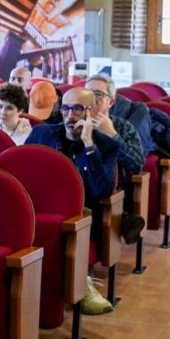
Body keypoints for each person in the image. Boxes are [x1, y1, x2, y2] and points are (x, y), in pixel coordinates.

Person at [26, 87, 120, 316]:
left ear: (94, 111)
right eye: (66, 108)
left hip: (83, 214)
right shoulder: (42, 134)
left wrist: (89, 145)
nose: (70, 115)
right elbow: (24, 171)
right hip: (43, 207)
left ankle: (82, 280)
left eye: (78, 109)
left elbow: (101, 190)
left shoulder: (105, 145)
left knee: (78, 219)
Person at [85, 74, 145, 245]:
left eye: (97, 94)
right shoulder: (73, 120)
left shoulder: (122, 127)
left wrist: (113, 135)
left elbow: (137, 165)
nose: (91, 99)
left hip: (112, 186)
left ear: (111, 102)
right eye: (87, 93)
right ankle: (124, 219)